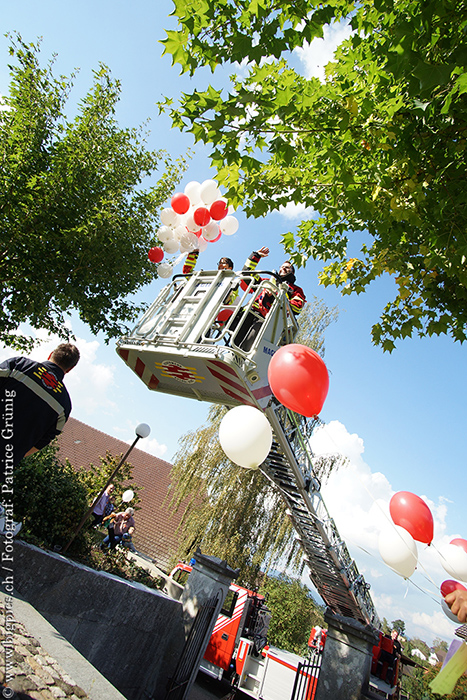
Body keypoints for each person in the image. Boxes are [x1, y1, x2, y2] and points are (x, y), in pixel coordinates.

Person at [0, 343, 80, 471]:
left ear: (50, 354)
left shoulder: (19, 365)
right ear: (70, 369)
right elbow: (41, 442)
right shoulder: (64, 405)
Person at [234, 246, 306, 350]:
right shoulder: (267, 280)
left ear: (292, 272)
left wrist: (275, 293)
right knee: (235, 339)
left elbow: (297, 307)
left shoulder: (296, 289)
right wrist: (255, 256)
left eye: (287, 267)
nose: (283, 268)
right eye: (282, 266)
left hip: (268, 319)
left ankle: (241, 360)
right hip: (249, 312)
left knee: (248, 344)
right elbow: (246, 274)